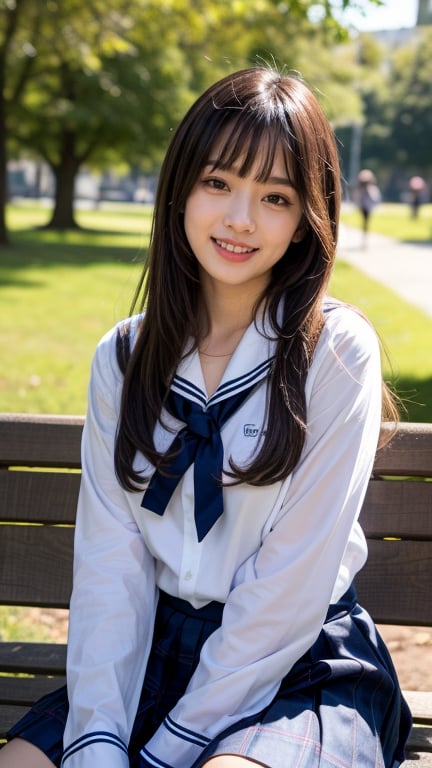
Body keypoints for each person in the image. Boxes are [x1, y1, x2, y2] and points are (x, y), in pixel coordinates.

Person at [0, 66, 411, 768]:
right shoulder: (124, 359)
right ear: (181, 188)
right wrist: (99, 741)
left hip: (298, 663)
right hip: (145, 654)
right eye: (218, 182)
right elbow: (111, 566)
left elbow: (289, 591)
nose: (239, 219)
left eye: (275, 196)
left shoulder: (335, 353)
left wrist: (169, 753)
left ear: (309, 217)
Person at [354, 169, 381, 247]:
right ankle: (364, 237)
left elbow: (374, 198)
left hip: (367, 207)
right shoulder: (361, 189)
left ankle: (364, 237)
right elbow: (358, 198)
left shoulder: (371, 189)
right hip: (364, 207)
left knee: (365, 223)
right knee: (365, 223)